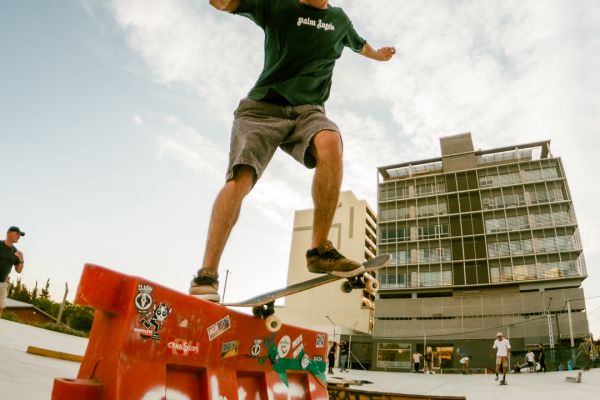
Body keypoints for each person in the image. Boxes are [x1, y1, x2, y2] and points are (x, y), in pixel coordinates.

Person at [189, 0, 396, 301]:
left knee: (330, 141)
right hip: (261, 109)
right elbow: (227, 3)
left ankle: (319, 250)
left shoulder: (339, 20)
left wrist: (378, 55)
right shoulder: (277, 5)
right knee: (241, 178)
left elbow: (360, 45)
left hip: (308, 112)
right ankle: (206, 274)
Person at [0, 226, 25, 318]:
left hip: (3, 283)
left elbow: (19, 270)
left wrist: (21, 260)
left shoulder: (15, 252)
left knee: (1, 306)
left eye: (20, 235)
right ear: (9, 233)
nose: (19, 236)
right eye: (17, 234)